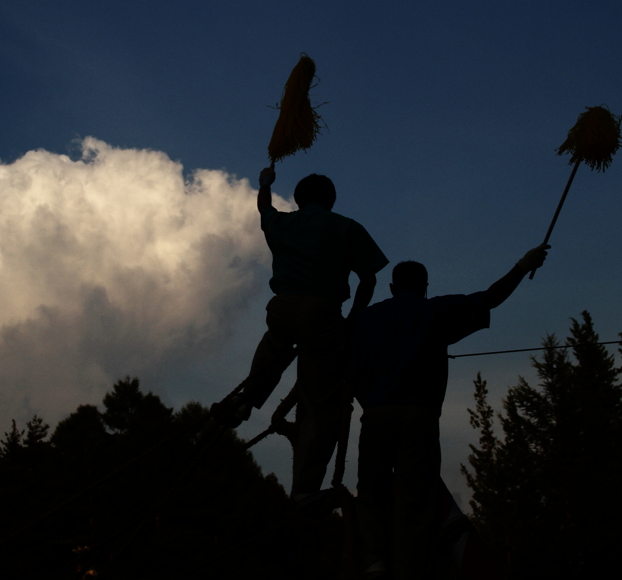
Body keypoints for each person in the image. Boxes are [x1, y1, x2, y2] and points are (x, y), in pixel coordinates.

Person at [351, 244, 550, 579]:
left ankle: (374, 562)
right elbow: (490, 297)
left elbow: (351, 371)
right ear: (425, 287)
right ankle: (407, 570)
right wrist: (523, 264)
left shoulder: (366, 320)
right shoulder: (435, 311)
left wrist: (370, 404)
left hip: (376, 413)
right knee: (414, 503)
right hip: (419, 417)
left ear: (391, 288)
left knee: (370, 492)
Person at [214, 165, 388, 506]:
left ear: (298, 198)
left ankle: (245, 401)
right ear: (332, 200)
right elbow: (369, 278)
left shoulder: (284, 223)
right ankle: (304, 488)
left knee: (271, 350)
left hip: (282, 306)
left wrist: (265, 182)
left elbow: (263, 207)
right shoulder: (346, 227)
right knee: (319, 405)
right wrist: (353, 319)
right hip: (323, 313)